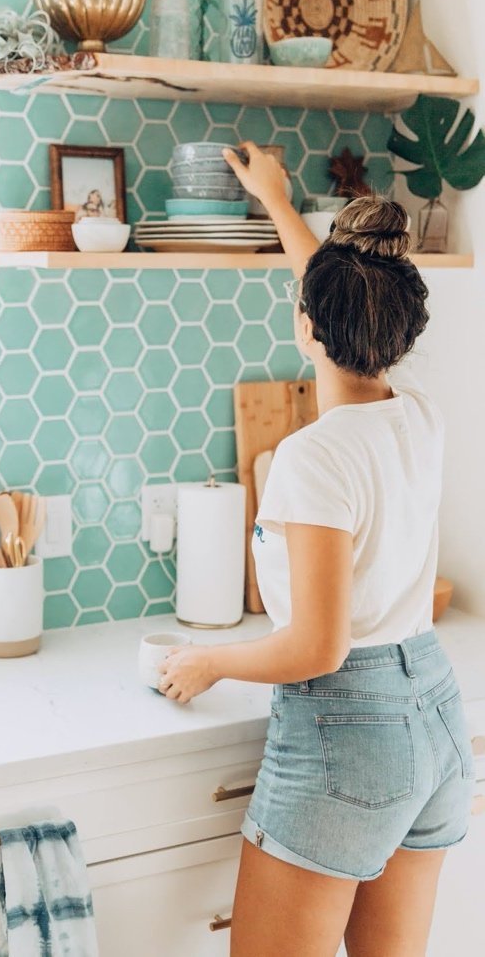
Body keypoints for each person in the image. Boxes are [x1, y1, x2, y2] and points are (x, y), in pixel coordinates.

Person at [157, 142, 475, 957]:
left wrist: (210, 662)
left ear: (306, 322)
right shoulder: (417, 415)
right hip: (435, 713)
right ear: (397, 331)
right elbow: (337, 296)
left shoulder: (311, 456)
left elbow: (317, 646)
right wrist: (276, 201)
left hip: (351, 730)